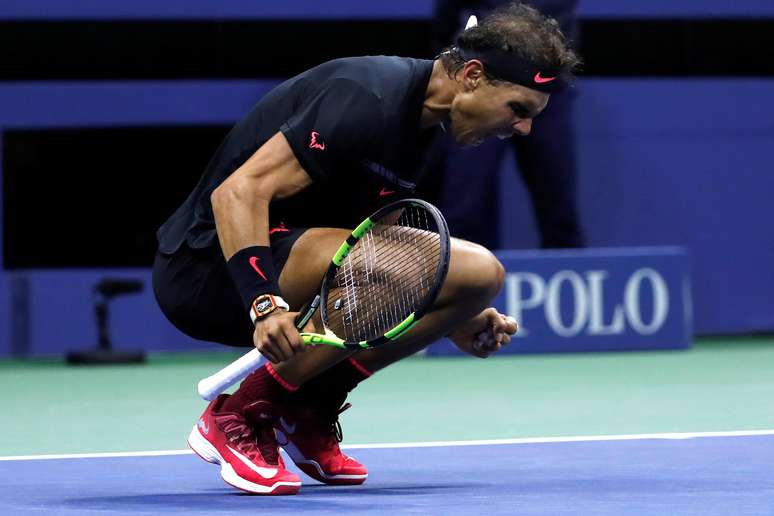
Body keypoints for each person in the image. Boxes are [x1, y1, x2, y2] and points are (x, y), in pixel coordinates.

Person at [153, 1, 579, 495]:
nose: (523, 129)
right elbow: (237, 193)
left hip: (291, 267)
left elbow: (379, 237)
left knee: (476, 279)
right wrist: (264, 303)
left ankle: (307, 406)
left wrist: (455, 314)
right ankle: (241, 415)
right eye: (519, 109)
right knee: (457, 267)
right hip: (209, 269)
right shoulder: (366, 95)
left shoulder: (425, 131)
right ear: (472, 76)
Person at [429, 0, 584, 249]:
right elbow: (445, 16)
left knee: (559, 205)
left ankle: (568, 268)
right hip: (490, 84)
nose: (524, 125)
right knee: (465, 205)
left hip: (550, 92)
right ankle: (465, 270)